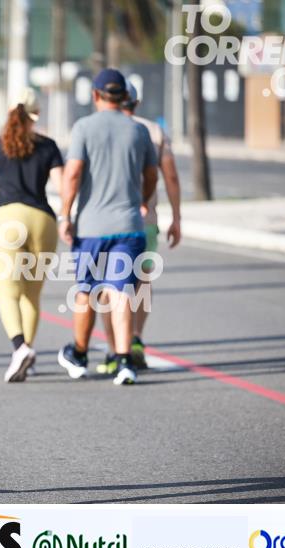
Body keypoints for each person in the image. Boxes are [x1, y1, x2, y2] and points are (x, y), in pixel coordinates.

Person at [58, 69, 158, 385]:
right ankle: (124, 360)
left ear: (95, 95)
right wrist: (143, 199)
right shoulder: (139, 130)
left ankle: (79, 353)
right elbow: (152, 174)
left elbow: (73, 173)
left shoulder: (84, 127)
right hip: (129, 225)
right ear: (125, 96)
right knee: (121, 292)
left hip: (91, 227)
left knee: (87, 291)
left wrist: (65, 214)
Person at [92, 82, 182, 373]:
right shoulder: (153, 131)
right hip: (146, 220)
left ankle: (113, 349)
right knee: (142, 280)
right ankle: (136, 339)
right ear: (136, 102)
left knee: (108, 285)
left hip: (104, 220)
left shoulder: (97, 127)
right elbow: (170, 176)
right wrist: (176, 217)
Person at [0, 88, 63, 382]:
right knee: (32, 293)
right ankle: (28, 352)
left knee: (7, 290)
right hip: (43, 220)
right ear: (36, 115)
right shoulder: (48, 146)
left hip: (8, 218)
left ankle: (19, 347)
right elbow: (64, 187)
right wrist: (67, 216)